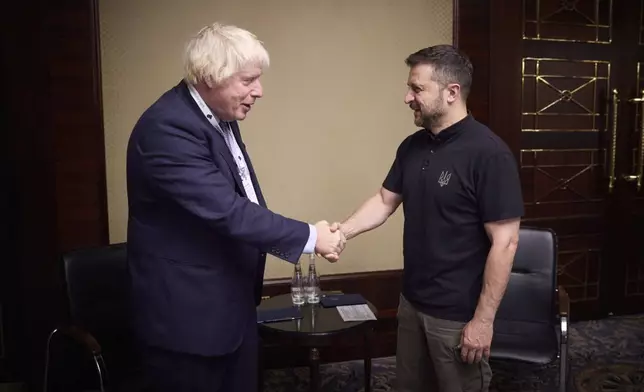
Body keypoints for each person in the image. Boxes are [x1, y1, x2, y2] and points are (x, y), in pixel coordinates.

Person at [125, 22, 345, 392]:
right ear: (211, 76)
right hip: (188, 323)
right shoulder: (167, 130)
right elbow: (228, 210)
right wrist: (311, 236)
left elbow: (244, 199)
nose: (258, 91)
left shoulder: (216, 118)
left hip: (230, 305)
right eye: (248, 80)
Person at [329, 45, 524, 391]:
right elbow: (384, 200)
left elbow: (505, 242)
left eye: (417, 88)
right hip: (411, 302)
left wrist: (483, 320)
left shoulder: (489, 154)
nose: (407, 97)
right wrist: (342, 232)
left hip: (456, 314)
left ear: (452, 93)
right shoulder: (412, 146)